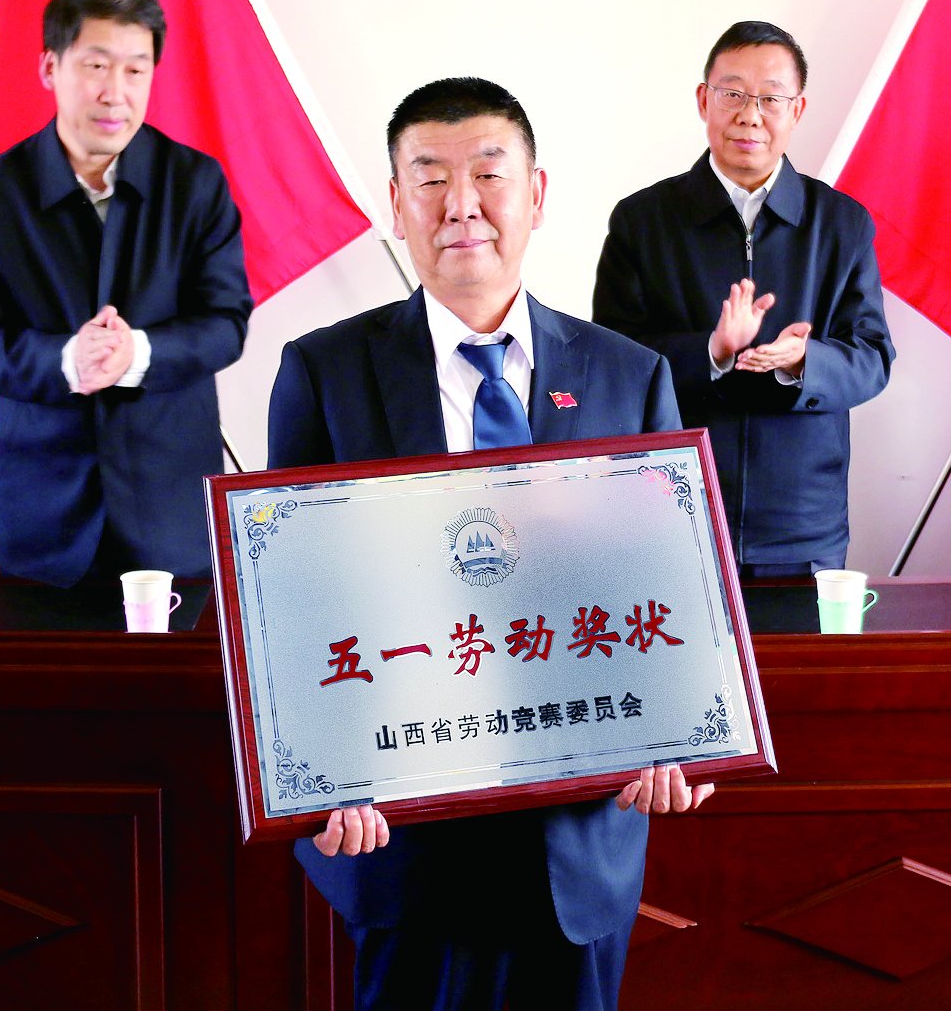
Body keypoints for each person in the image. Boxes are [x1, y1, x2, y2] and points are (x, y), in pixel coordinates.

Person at [270, 77, 708, 1011]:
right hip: (399, 837)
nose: (460, 204)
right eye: (430, 178)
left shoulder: (628, 375)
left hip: (576, 841)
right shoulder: (323, 371)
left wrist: (681, 735)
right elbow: (294, 602)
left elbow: (668, 592)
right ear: (397, 204)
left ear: (536, 195)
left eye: (488, 174)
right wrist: (324, 768)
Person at [0, 0, 251, 587]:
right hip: (41, 520)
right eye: (96, 65)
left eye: (136, 70)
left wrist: (135, 353)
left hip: (170, 515)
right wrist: (68, 359)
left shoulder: (195, 184)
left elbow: (226, 325)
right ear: (50, 67)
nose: (116, 92)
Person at [592, 22, 892, 575]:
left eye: (771, 99)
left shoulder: (842, 224)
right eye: (732, 93)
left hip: (803, 524)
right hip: (673, 509)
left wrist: (804, 361)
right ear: (703, 100)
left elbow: (872, 359)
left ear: (797, 110)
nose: (750, 115)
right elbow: (612, 364)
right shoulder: (642, 222)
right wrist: (711, 352)